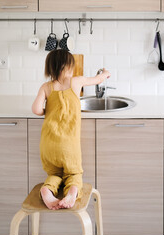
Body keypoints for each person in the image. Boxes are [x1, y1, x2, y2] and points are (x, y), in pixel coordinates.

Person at [32, 49, 111, 210]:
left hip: (48, 143)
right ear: (69, 67)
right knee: (73, 174)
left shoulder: (46, 87)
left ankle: (47, 189)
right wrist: (105, 73)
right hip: (69, 145)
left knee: (54, 174)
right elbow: (97, 79)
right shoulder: (76, 81)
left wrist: (47, 110)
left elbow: (36, 110)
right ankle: (72, 191)